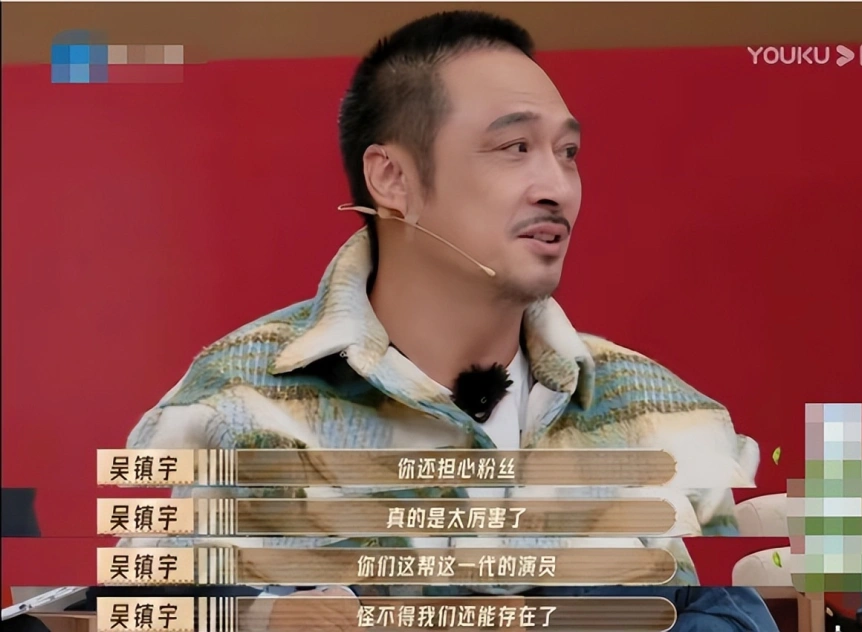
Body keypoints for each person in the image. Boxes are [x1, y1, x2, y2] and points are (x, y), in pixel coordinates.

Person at [122, 10, 776, 632]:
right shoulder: (239, 404)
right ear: (392, 179)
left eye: (567, 151)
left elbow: (733, 611)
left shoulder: (659, 411)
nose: (557, 187)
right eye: (515, 147)